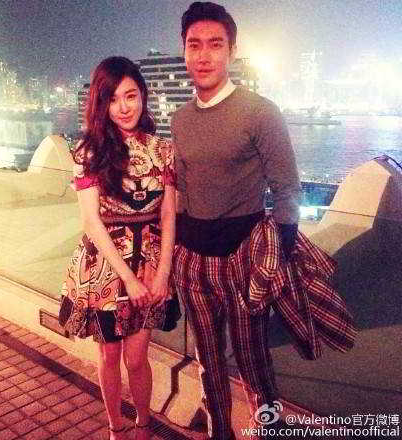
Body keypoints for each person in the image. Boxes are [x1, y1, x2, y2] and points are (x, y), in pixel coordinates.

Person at [171, 3, 302, 440]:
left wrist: (277, 255)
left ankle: (270, 430)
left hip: (245, 259)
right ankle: (218, 432)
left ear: (231, 50)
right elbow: (182, 191)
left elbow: (286, 187)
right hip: (193, 263)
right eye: (194, 45)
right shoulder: (180, 119)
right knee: (207, 361)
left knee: (253, 361)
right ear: (184, 50)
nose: (204, 55)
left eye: (215, 44)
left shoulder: (259, 111)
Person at [59, 56, 177, 440]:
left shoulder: (163, 150)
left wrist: (162, 274)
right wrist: (128, 278)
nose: (124, 107)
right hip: (104, 267)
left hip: (150, 263)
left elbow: (168, 215)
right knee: (109, 355)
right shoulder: (89, 152)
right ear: (101, 103)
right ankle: (115, 428)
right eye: (113, 99)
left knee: (137, 358)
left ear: (143, 96)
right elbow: (91, 221)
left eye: (131, 96)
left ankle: (143, 424)